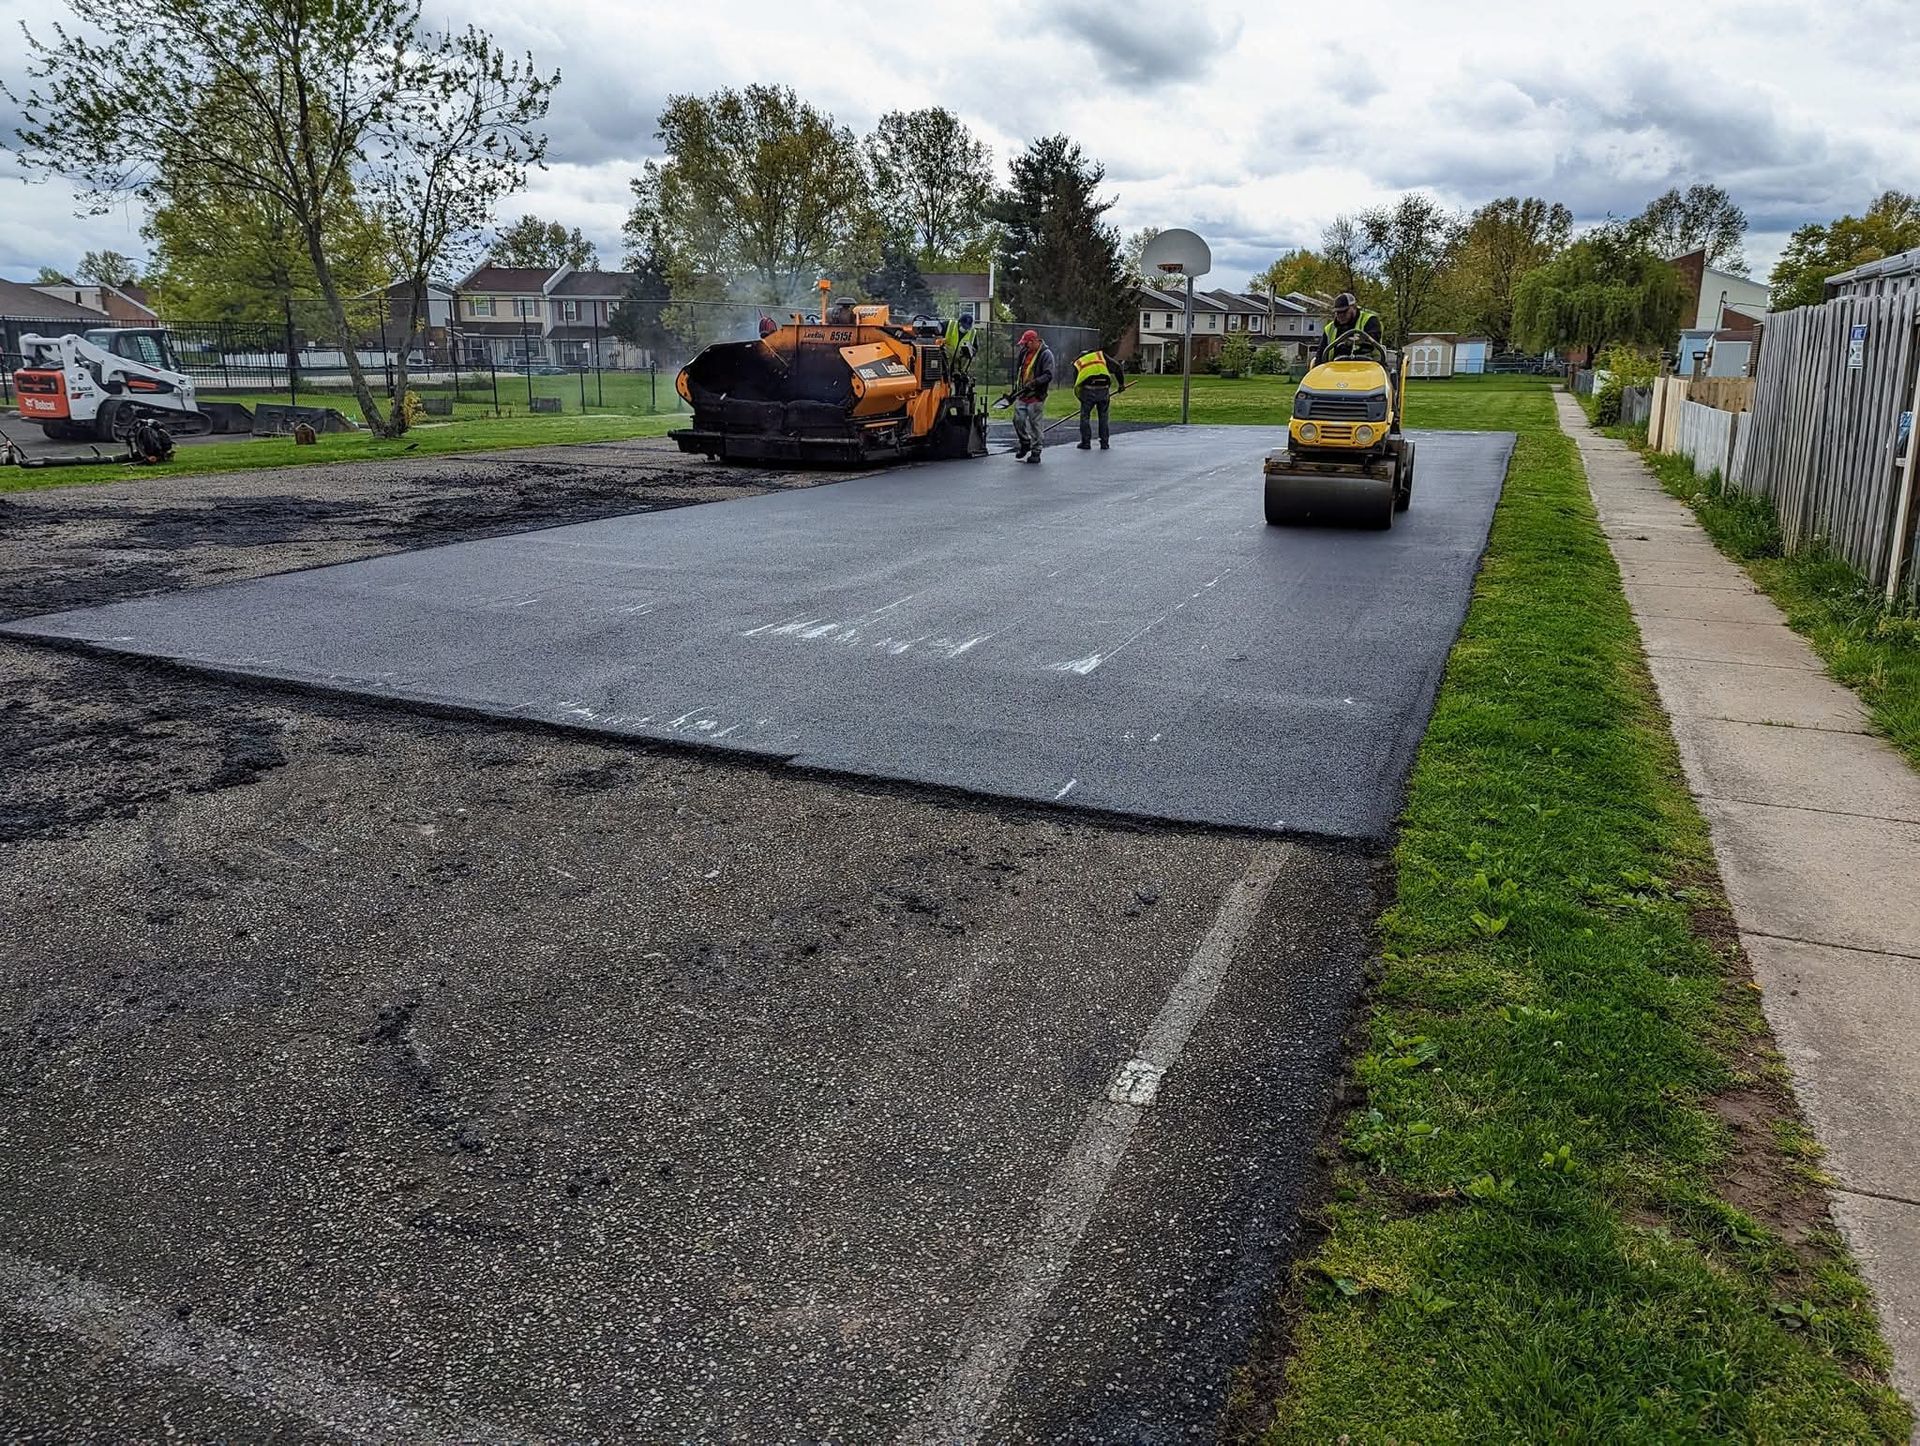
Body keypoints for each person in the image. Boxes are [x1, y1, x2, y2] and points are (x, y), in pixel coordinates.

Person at [1010, 329, 1053, 464]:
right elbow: (1020, 373)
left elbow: (1048, 375)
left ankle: (1036, 451)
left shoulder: (1046, 354)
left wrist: (1034, 383)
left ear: (1034, 341)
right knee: (1018, 420)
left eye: (1026, 343)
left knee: (1035, 424)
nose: (1024, 346)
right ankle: (1025, 442)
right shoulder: (1024, 353)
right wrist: (1015, 390)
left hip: (1036, 395)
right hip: (1022, 394)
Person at [1071, 346, 1126, 450]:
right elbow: (1117, 367)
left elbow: (1077, 384)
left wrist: (1082, 399)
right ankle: (1104, 443)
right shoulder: (1100, 356)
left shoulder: (1079, 362)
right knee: (1103, 417)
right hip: (1103, 389)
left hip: (1088, 390)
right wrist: (1121, 384)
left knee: (1085, 417)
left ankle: (1086, 443)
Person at [1315, 292, 1384, 365]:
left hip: (1369, 366)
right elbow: (1320, 354)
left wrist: (1356, 342)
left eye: (1344, 311)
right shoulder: (1329, 329)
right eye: (1338, 312)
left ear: (1354, 307)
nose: (1340, 315)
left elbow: (1373, 339)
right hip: (1336, 367)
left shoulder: (1370, 320)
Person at [943, 312, 976, 379]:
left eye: (967, 327)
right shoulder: (950, 325)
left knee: (966, 356)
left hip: (959, 361)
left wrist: (972, 350)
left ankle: (958, 373)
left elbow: (975, 348)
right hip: (946, 357)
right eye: (964, 326)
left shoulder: (972, 333)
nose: (965, 329)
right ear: (959, 322)